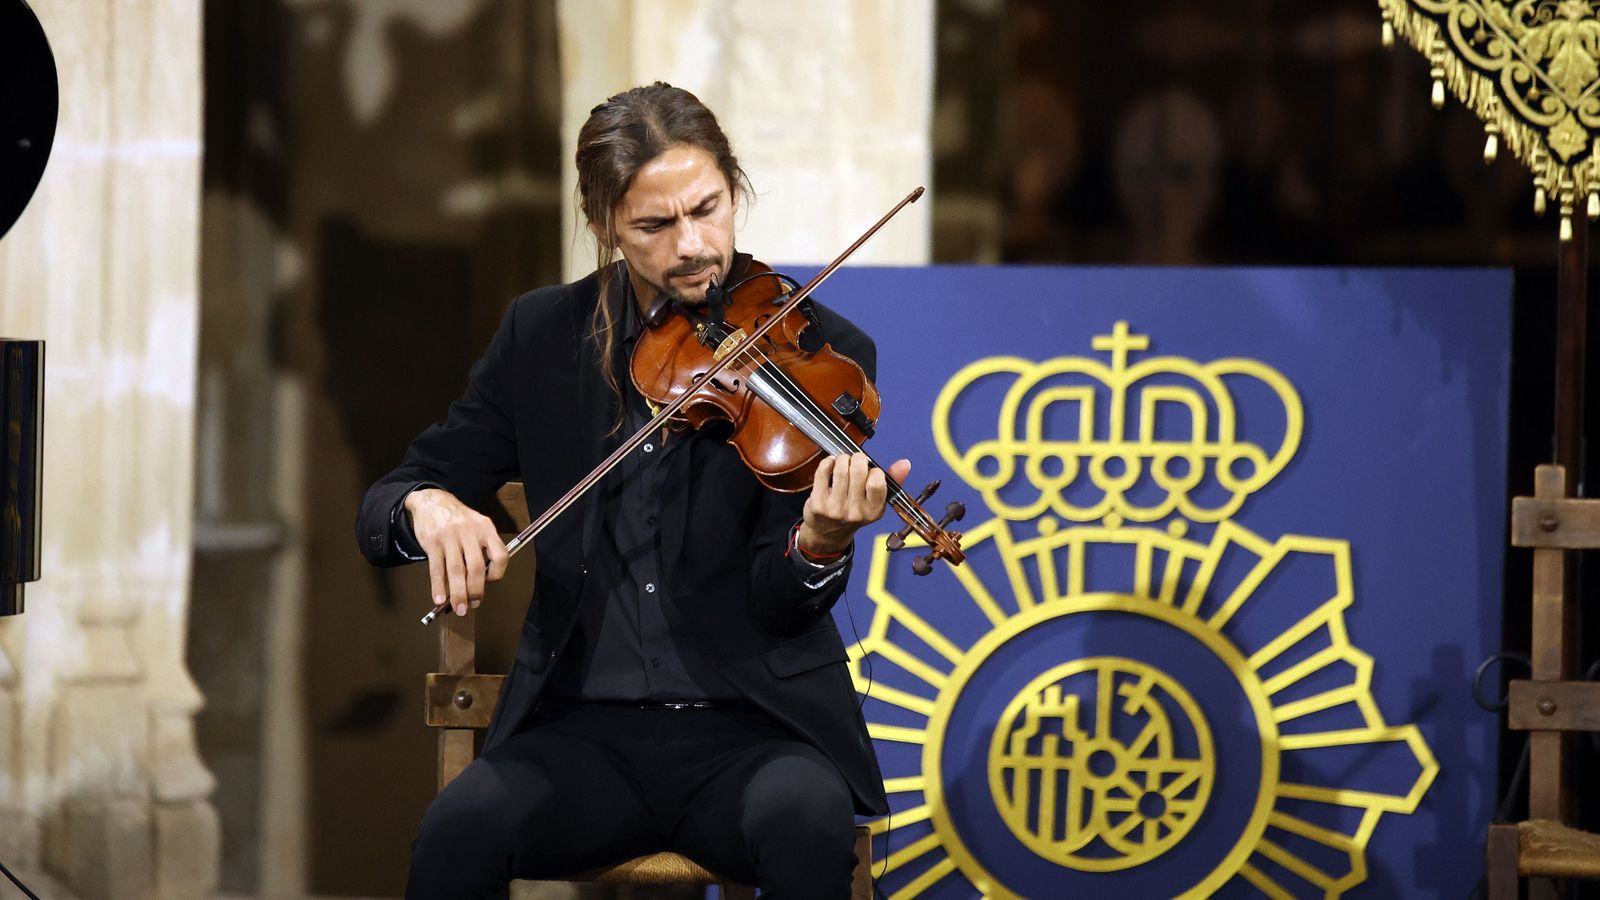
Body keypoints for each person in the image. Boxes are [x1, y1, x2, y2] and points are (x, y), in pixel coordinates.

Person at [356, 82, 905, 899]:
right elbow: (388, 503)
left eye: (708, 209)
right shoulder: (541, 337)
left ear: (734, 191)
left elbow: (780, 602)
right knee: (457, 833)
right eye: (656, 225)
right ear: (605, 225)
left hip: (756, 734)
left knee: (807, 822)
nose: (693, 245)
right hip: (581, 735)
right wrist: (425, 507)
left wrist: (819, 546)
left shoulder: (814, 351)